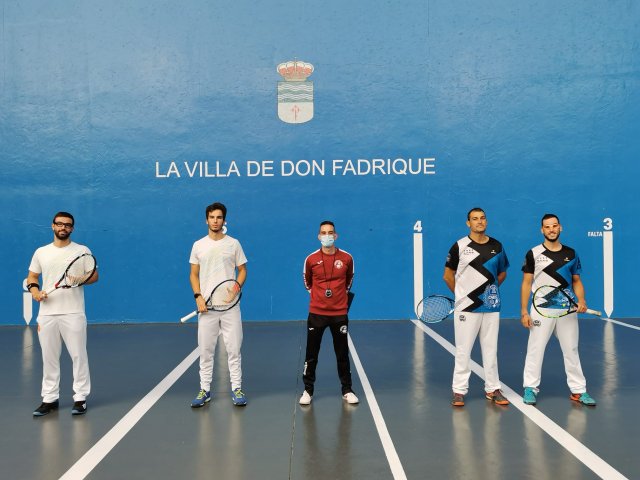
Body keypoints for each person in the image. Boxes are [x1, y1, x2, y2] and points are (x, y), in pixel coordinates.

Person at [27, 212, 99, 416]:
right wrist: (34, 291)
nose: (63, 227)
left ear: (72, 229)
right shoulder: (41, 252)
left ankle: (80, 398)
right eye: (59, 224)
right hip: (47, 314)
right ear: (53, 226)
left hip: (73, 313)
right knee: (49, 357)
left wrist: (80, 279)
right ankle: (49, 399)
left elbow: (94, 276)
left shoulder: (82, 251)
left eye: (67, 225)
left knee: (78, 356)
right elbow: (32, 276)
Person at [520, 214, 596, 406]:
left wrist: (581, 300)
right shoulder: (533, 253)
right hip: (541, 309)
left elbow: (576, 281)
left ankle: (578, 390)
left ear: (560, 227)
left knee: (571, 349)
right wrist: (524, 311)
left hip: (566, 310)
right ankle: (530, 388)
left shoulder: (571, 253)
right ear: (542, 230)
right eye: (547, 227)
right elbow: (527, 283)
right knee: (535, 349)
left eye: (554, 226)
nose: (551, 229)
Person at [443, 208, 510, 407]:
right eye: (475, 219)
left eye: (482, 218)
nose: (479, 222)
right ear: (468, 223)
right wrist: (462, 296)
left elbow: (502, 274)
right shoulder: (459, 246)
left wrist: (489, 294)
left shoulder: (497, 246)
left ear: (486, 221)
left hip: (491, 307)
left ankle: (493, 388)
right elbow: (447, 276)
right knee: (463, 351)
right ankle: (459, 390)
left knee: (491, 350)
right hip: (466, 308)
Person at [189, 202, 248, 407]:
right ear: (206, 220)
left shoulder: (234, 244)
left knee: (234, 350)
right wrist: (198, 296)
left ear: (224, 220)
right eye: (212, 217)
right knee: (205, 351)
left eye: (219, 217)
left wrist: (236, 288)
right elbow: (193, 274)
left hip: (230, 308)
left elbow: (242, 270)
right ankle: (204, 390)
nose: (215, 221)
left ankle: (237, 388)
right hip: (207, 309)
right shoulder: (198, 245)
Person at [299, 221, 358, 405]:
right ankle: (308, 391)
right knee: (311, 354)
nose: (327, 236)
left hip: (339, 314)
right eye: (323, 233)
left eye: (330, 232)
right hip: (316, 313)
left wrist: (340, 297)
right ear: (319, 236)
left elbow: (349, 280)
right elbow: (307, 281)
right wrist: (318, 297)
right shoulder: (311, 259)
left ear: (336, 235)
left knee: (342, 354)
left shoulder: (347, 258)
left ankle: (347, 390)